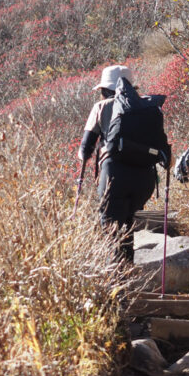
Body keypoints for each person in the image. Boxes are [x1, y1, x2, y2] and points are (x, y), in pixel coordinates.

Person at [78, 65, 158, 262]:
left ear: (105, 89)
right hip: (145, 178)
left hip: (114, 174)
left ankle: (114, 279)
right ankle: (126, 270)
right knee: (127, 221)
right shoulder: (146, 106)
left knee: (110, 227)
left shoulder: (101, 107)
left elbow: (85, 149)